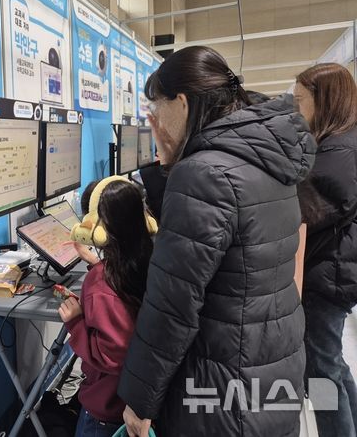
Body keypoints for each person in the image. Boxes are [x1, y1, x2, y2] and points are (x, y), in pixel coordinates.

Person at [118, 46, 316, 437]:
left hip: (225, 384)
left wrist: (140, 400)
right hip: (272, 359)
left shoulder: (203, 173)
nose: (154, 125)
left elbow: (172, 307)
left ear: (182, 102)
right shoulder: (268, 157)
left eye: (156, 112)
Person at [58, 178, 154, 437]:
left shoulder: (101, 283)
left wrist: (76, 322)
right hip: (141, 400)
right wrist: (95, 263)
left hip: (107, 413)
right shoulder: (150, 257)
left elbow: (112, 354)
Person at [294, 63, 357, 436]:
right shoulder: (339, 144)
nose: (297, 110)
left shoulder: (338, 153)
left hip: (329, 277)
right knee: (330, 363)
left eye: (301, 101)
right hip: (334, 270)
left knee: (322, 371)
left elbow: (304, 210)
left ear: (325, 101)